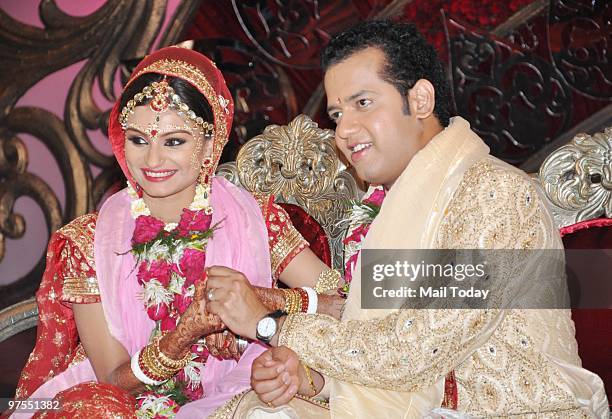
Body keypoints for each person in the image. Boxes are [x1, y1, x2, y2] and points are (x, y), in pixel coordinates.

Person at [205, 20, 609, 418]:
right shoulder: (401, 205)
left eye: (362, 103)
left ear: (419, 100)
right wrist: (313, 381)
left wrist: (268, 324)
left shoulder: (494, 195)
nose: (344, 130)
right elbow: (392, 355)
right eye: (336, 114)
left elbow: (417, 349)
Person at [13, 46, 344, 418]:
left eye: (174, 141)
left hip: (236, 395)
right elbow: (111, 378)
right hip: (123, 405)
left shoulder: (257, 220)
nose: (152, 161)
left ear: (209, 144)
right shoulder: (88, 242)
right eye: (139, 140)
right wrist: (183, 334)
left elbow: (343, 302)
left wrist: (261, 300)